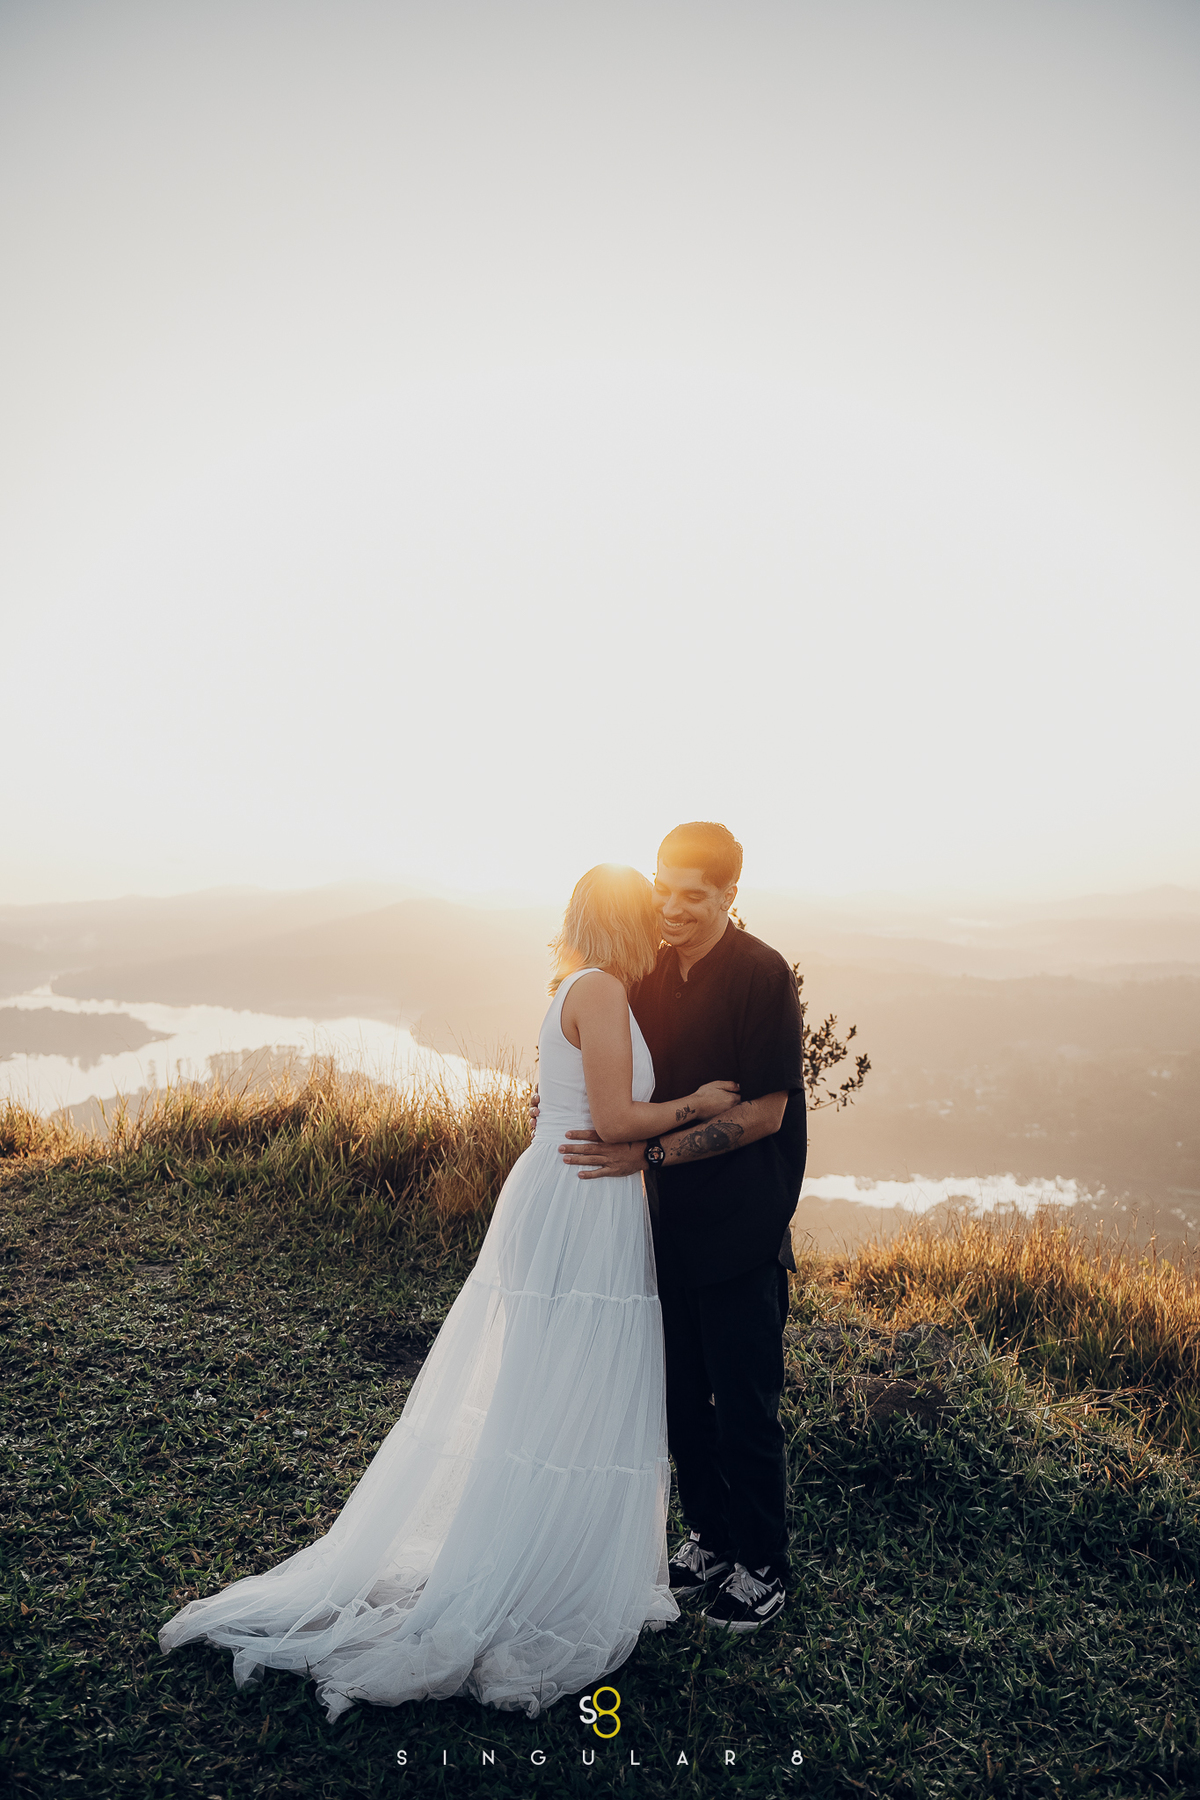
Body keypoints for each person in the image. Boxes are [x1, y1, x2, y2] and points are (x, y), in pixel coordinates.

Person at [158, 864, 739, 1720]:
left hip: (569, 1194)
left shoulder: (578, 986)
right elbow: (614, 1122)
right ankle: (542, 1564)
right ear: (622, 921)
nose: (662, 922)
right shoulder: (605, 992)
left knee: (551, 1385)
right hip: (583, 1202)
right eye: (648, 912)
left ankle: (539, 1546)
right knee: (569, 1384)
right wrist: (696, 1102)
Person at [556, 823, 806, 1634]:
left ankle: (763, 1564)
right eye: (662, 889)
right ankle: (709, 1537)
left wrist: (652, 1152)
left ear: (731, 894)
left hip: (742, 1225)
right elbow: (614, 1069)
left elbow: (766, 1113)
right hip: (664, 1228)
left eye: (692, 896)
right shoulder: (650, 973)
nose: (670, 908)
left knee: (743, 1404)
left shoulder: (762, 975)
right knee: (677, 1400)